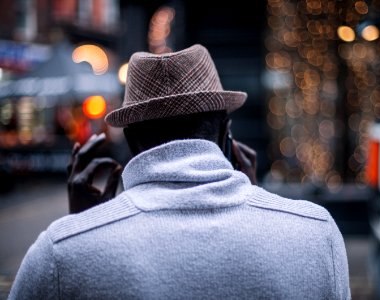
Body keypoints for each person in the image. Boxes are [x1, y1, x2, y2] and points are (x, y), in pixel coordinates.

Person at [9, 44, 350, 299]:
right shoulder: (316, 233)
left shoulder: (59, 250)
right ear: (224, 132)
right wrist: (262, 206)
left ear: (130, 139)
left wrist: (82, 232)